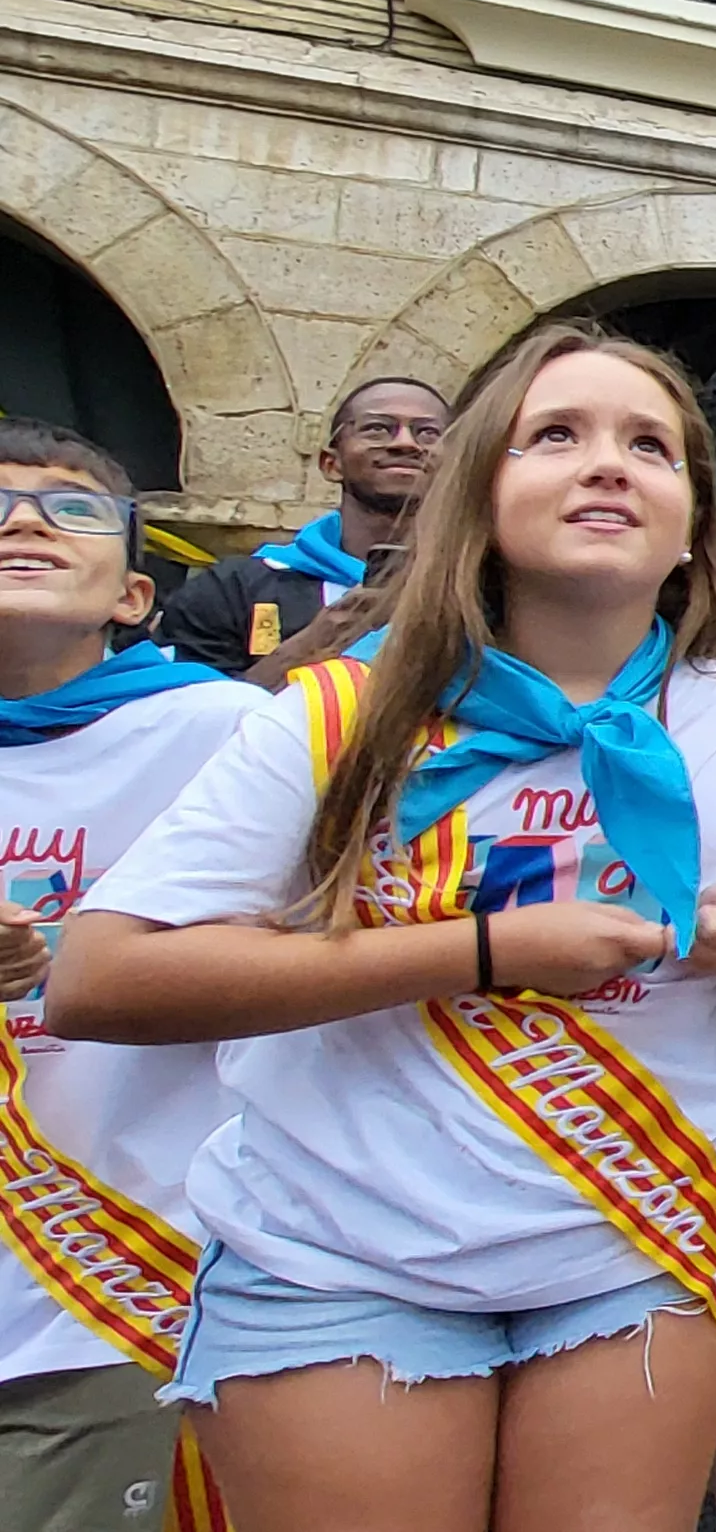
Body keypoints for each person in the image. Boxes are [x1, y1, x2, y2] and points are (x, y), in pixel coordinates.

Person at [49, 325, 716, 1530]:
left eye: (650, 446)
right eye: (555, 436)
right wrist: (482, 953)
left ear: (689, 524)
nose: (608, 464)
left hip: (636, 1252)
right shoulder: (344, 712)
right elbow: (100, 981)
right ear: (478, 493)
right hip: (336, 1259)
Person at [0, 421, 255, 1532]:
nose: (23, 522)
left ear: (136, 598)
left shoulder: (228, 736)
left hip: (99, 1279)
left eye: (72, 508)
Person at [154, 377, 448, 676]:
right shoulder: (232, 589)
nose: (405, 443)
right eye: (377, 428)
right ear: (331, 464)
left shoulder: (479, 586)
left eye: (428, 433)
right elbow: (186, 714)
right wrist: (310, 647)